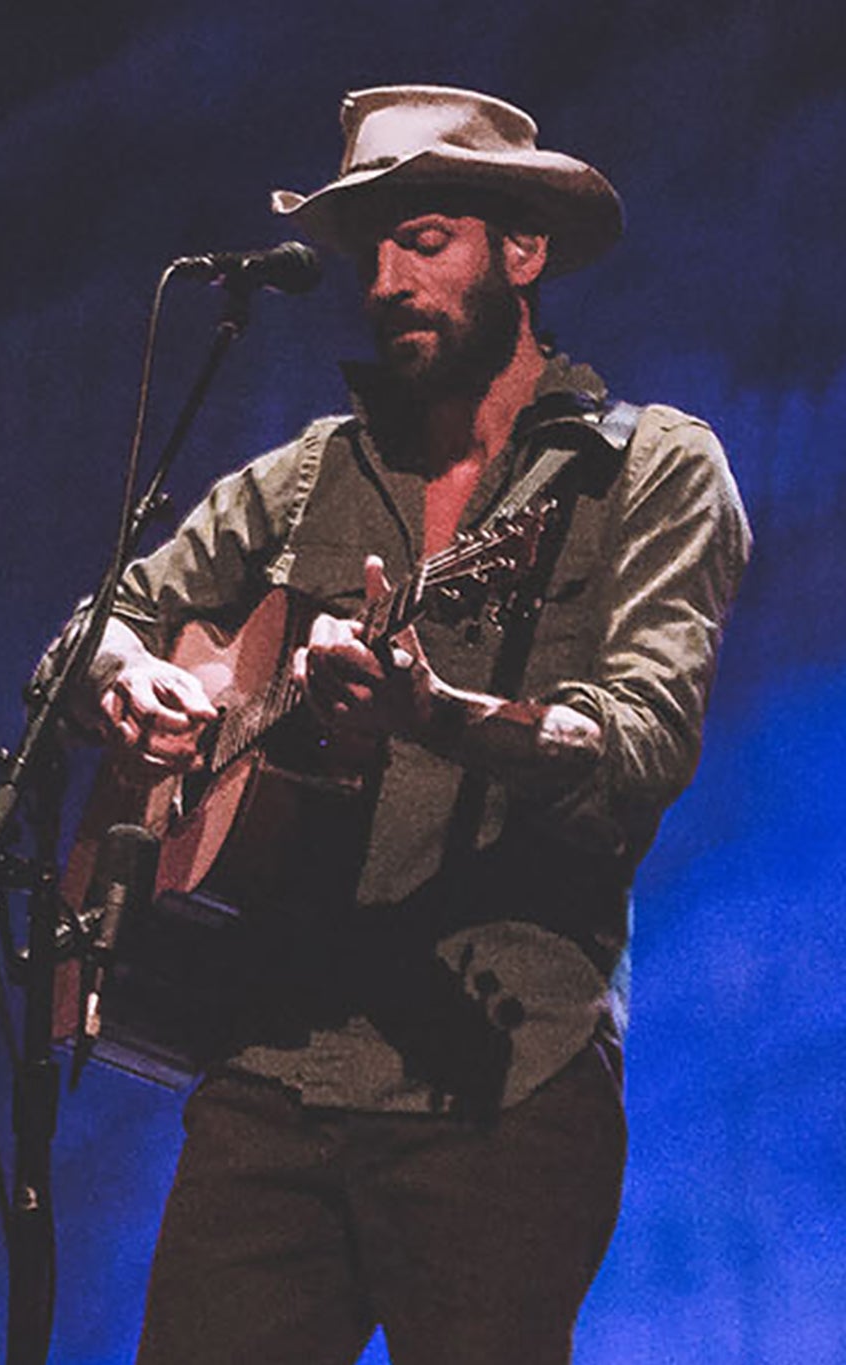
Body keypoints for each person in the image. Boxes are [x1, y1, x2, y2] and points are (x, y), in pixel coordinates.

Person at [48, 85, 751, 1364]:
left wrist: (442, 714)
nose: (382, 280)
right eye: (367, 249)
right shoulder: (309, 472)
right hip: (268, 1066)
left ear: (519, 252)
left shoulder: (642, 469)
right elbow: (93, 630)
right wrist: (123, 680)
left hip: (500, 1083)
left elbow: (642, 743)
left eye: (421, 239)